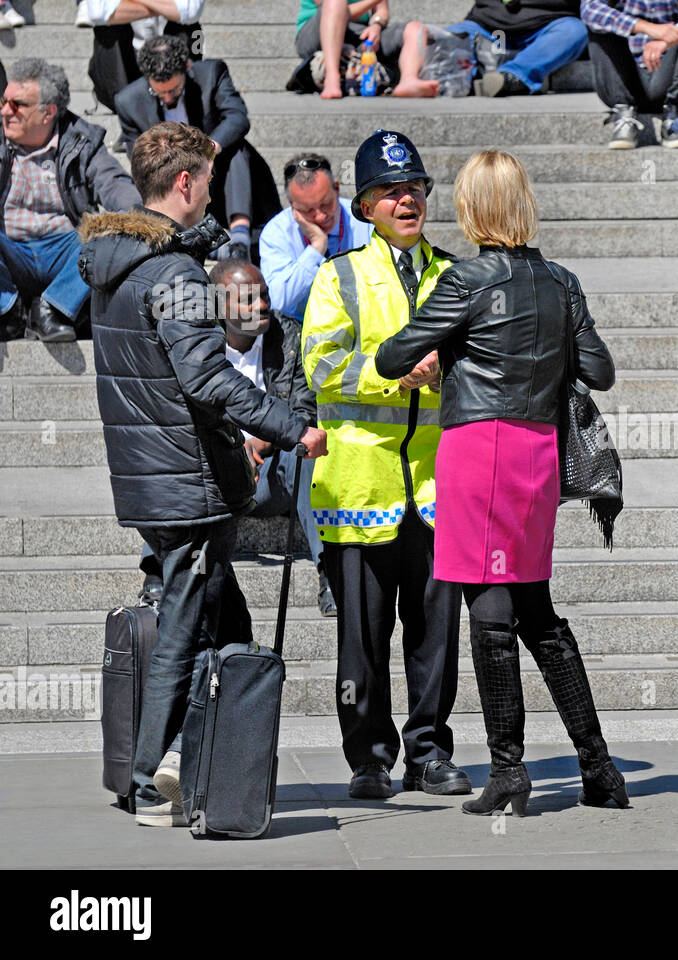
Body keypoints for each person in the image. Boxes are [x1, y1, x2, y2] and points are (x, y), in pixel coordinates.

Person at [77, 121, 327, 827]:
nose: (213, 195)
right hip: (185, 476)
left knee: (213, 617)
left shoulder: (118, 262)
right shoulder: (176, 276)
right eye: (209, 182)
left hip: (151, 473)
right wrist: (290, 426)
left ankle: (195, 764)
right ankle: (151, 778)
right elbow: (207, 376)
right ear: (184, 183)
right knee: (185, 629)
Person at [375, 150, 626, 816]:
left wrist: (444, 346)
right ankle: (598, 766)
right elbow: (598, 370)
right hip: (536, 451)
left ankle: (510, 771)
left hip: (478, 448)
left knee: (489, 613)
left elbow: (391, 354)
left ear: (473, 208)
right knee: (536, 610)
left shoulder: (466, 280)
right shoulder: (561, 281)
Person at [301, 130, 470, 801]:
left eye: (415, 189)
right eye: (391, 191)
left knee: (435, 636)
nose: (407, 200)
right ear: (366, 205)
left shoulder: (454, 275)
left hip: (437, 487)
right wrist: (394, 375)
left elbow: (478, 362)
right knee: (362, 644)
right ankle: (369, 757)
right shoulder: (337, 275)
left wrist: (446, 371)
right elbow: (321, 363)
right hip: (360, 485)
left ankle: (429, 751)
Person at [136, 259, 337, 617]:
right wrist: (230, 447)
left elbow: (305, 411)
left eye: (264, 296)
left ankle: (331, 576)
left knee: (308, 455)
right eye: (247, 300)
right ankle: (157, 573)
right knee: (172, 457)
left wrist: (265, 440)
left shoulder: (289, 337)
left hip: (271, 474)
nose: (261, 306)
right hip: (216, 476)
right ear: (219, 306)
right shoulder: (192, 344)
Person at [1, 59, 140, 343]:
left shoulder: (82, 141)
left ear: (47, 112)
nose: (5, 111)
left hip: (67, 254)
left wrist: (137, 212)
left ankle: (52, 308)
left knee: (113, 231)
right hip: (9, 254)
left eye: (17, 105)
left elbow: (114, 183)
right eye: (3, 101)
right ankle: (9, 311)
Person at [115, 35, 281, 261]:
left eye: (173, 90)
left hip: (221, 175)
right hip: (175, 181)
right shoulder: (127, 101)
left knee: (237, 147)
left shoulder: (212, 74)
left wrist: (207, 150)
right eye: (159, 92)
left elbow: (237, 117)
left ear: (187, 68)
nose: (167, 98)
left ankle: (240, 236)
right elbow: (140, 158)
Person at [580, 0, 678, 149]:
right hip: (626, 74)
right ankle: (624, 115)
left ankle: (675, 116)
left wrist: (672, 36)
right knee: (599, 27)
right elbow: (590, 9)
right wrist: (646, 28)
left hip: (667, 74)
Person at [260, 153, 372, 321]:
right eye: (307, 210)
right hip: (302, 330)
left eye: (326, 204)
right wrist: (316, 247)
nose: (320, 216)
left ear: (336, 188)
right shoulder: (276, 232)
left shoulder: (366, 219)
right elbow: (277, 301)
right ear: (292, 206)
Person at [82, 0, 204, 116]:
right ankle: (122, 100)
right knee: (107, 30)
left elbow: (191, 11)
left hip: (169, 54)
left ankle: (179, 88)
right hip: (126, 62)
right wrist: (170, 9)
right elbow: (97, 13)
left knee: (190, 29)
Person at [443, 0, 588, 97]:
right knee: (440, 40)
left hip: (547, 25)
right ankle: (481, 69)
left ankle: (512, 75)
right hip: (488, 26)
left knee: (574, 31)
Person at [295, 0, 436, 99]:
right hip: (317, 31)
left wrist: (376, 26)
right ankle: (332, 77)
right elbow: (333, 9)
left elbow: (382, 11)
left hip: (358, 31)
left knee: (415, 28)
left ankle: (409, 80)